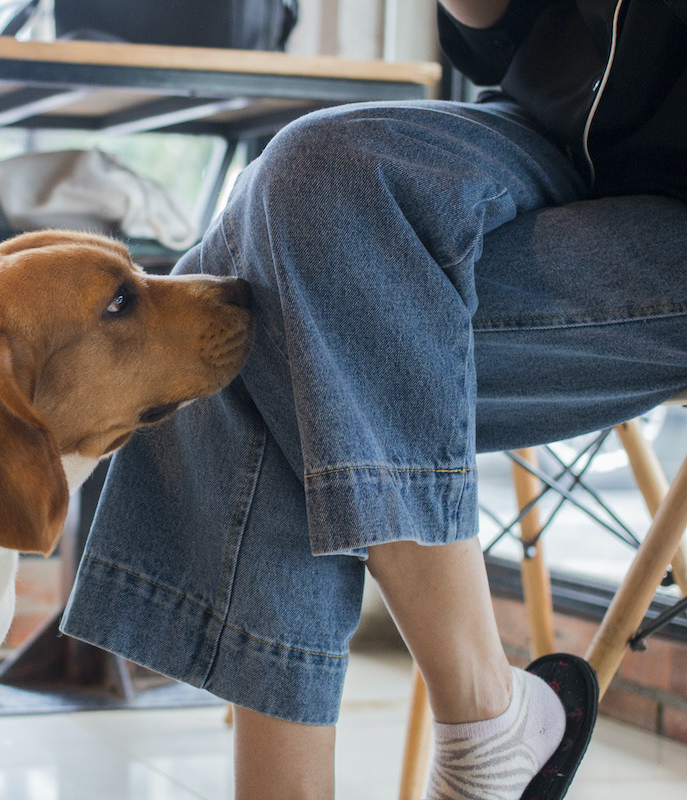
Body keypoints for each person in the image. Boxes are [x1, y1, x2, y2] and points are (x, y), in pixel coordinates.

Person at [60, 1, 687, 798]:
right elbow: (502, 29)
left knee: (265, 314)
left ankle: (468, 751)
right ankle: (489, 719)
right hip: (551, 134)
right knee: (309, 178)